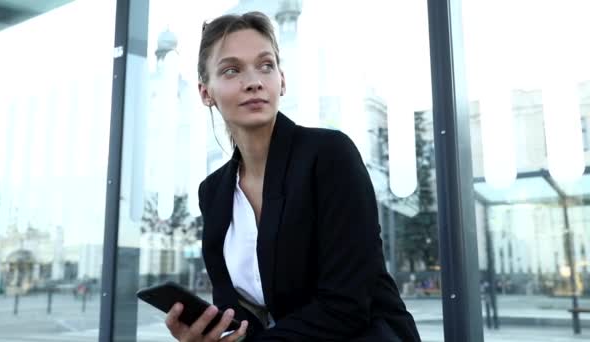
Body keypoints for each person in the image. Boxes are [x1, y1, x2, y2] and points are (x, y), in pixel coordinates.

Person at [165, 11, 421, 341]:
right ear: (205, 93)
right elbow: (236, 314)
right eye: (232, 70)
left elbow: (347, 305)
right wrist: (211, 335)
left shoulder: (330, 155)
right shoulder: (213, 191)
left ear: (281, 81)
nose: (254, 80)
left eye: (266, 65)